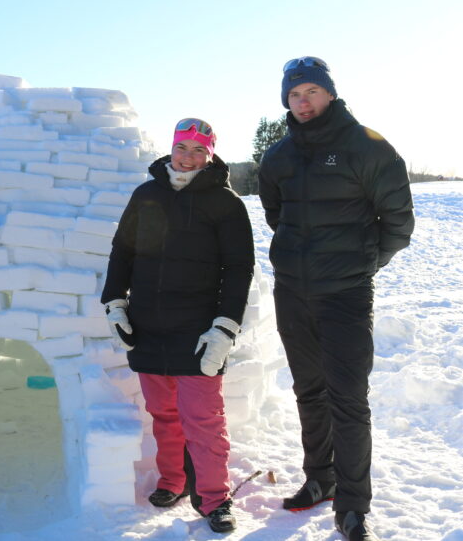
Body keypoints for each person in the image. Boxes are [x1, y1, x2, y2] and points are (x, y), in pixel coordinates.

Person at [258, 57, 414, 541]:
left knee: (348, 399)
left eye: (310, 92)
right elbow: (275, 215)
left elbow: (398, 224)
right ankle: (319, 478)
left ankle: (352, 506)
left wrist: (360, 265)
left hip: (345, 293)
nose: (302, 102)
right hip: (293, 292)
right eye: (294, 95)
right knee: (310, 391)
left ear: (329, 93)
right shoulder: (279, 156)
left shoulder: (366, 146)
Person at [102, 118, 254, 533]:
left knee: (204, 420)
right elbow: (123, 251)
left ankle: (215, 499)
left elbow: (239, 268)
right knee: (163, 413)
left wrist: (224, 327)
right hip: (148, 323)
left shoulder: (226, 203)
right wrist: (115, 302)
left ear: (210, 155)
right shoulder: (146, 194)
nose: (187, 157)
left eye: (197, 150)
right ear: (171, 149)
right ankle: (174, 480)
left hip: (198, 330)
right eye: (181, 148)